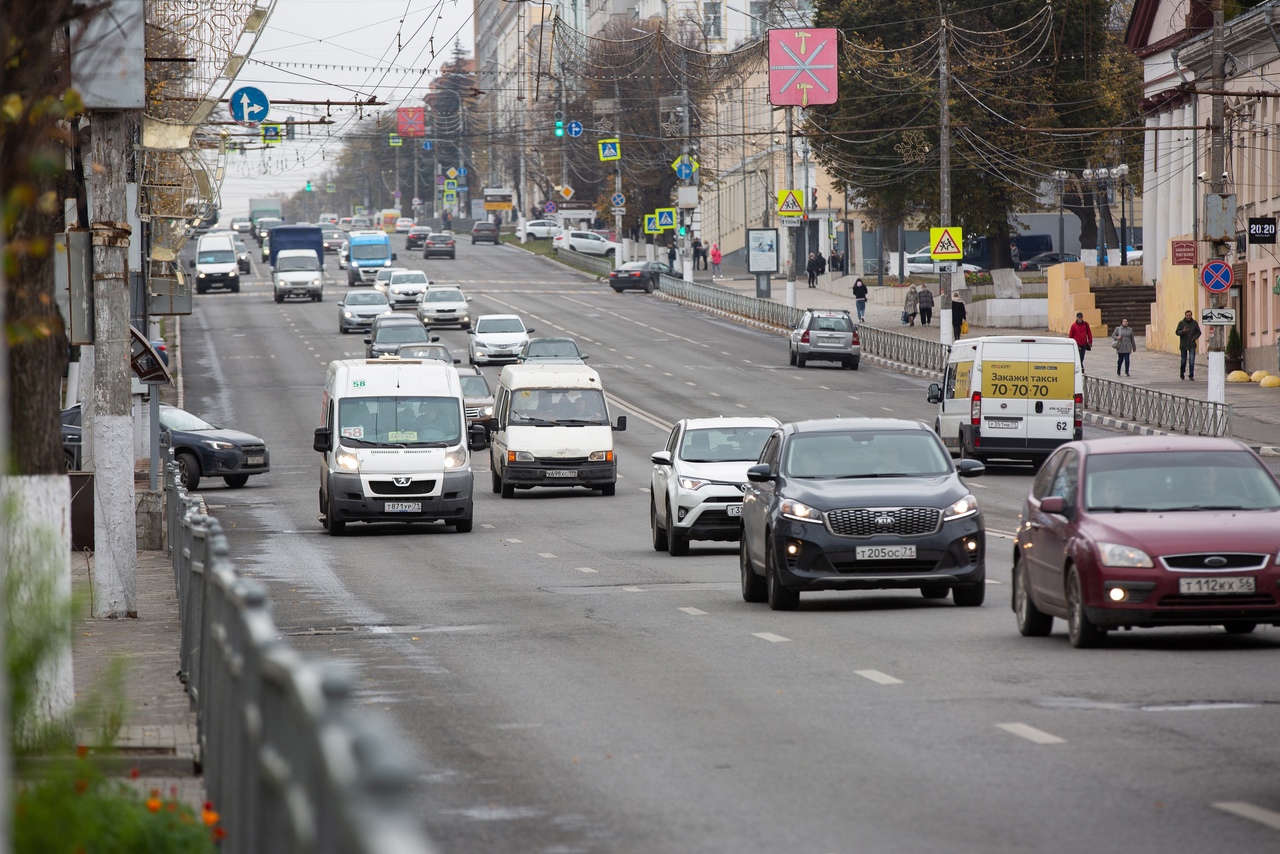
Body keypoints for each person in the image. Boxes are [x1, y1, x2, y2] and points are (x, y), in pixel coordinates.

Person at [1175, 309, 1202, 380]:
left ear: (1191, 315)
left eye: (1189, 315)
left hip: (1192, 343)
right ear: (1185, 316)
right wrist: (1183, 331)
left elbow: (1198, 332)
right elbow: (1177, 332)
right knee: (1183, 360)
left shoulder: (1194, 323)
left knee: (1191, 360)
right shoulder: (1181, 323)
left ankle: (1191, 375)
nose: (1188, 317)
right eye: (1187, 315)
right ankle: (1182, 372)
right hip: (1183, 344)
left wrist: (1194, 338)